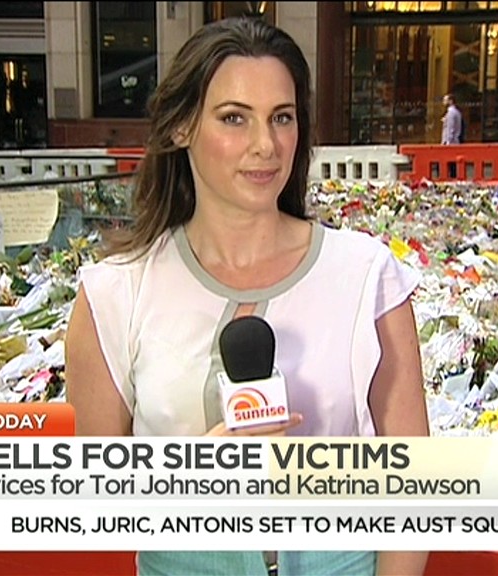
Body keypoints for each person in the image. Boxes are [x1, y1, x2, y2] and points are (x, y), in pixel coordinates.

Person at [65, 17, 430, 576]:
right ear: (182, 126)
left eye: (282, 117)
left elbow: (414, 487)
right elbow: (98, 500)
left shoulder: (367, 275)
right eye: (235, 118)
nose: (266, 146)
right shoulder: (114, 294)